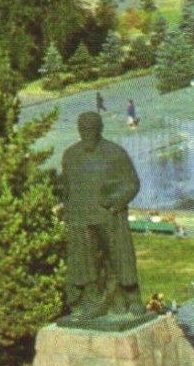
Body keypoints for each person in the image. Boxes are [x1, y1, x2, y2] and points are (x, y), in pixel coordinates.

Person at [61, 111, 143, 321]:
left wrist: (117, 200)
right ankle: (92, 300)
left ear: (100, 129)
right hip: (81, 218)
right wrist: (67, 212)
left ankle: (130, 297)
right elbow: (66, 187)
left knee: (119, 258)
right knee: (85, 262)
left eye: (91, 130)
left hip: (108, 216)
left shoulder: (114, 153)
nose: (87, 134)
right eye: (83, 130)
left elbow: (132, 183)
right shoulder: (70, 155)